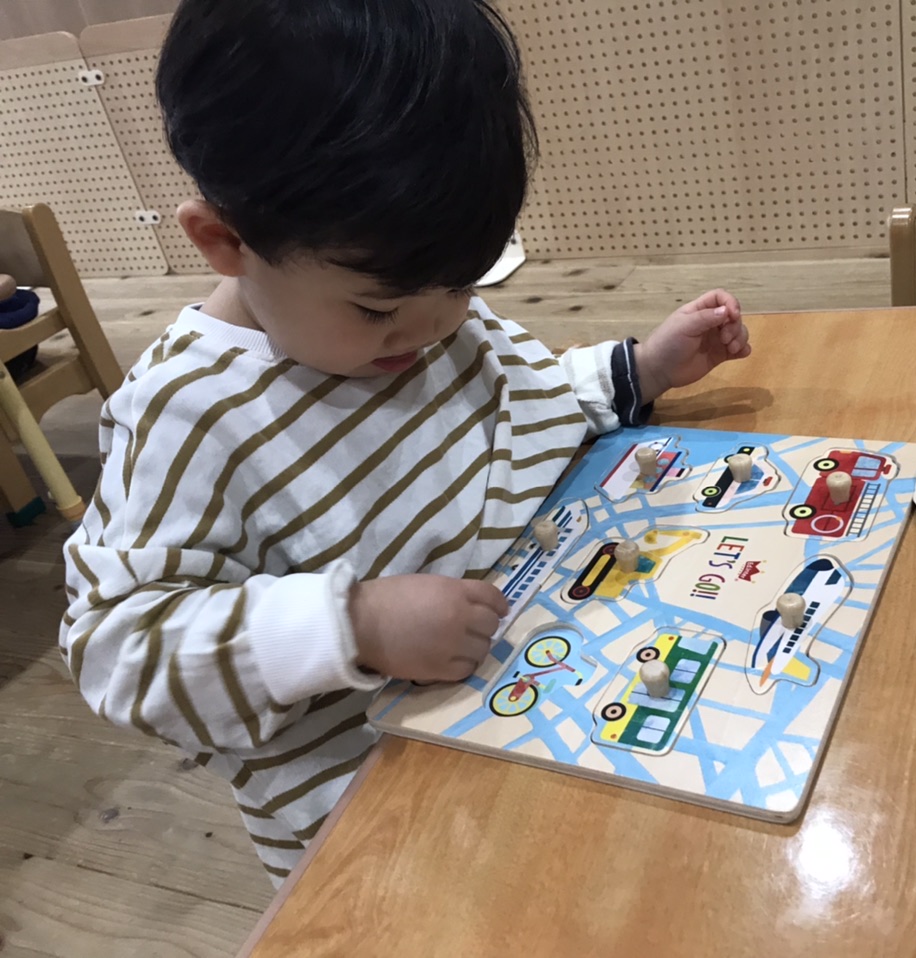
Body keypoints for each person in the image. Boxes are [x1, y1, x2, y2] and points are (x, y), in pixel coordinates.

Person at [60, 0, 750, 885]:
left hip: (549, 724)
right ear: (223, 240)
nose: (433, 330)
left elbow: (524, 408)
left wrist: (639, 370)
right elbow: (118, 650)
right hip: (382, 833)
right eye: (378, 308)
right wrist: (351, 624)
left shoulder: (419, 313)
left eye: (464, 286)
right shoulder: (186, 414)